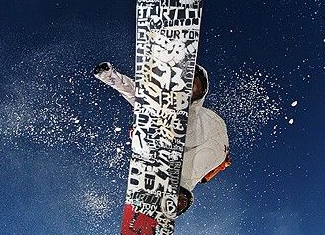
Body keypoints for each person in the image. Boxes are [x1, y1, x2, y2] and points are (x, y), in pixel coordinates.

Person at [93, 62, 230, 215]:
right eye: (185, 85)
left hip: (207, 143)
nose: (187, 92)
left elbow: (211, 157)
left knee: (198, 144)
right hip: (182, 145)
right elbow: (137, 94)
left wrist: (183, 188)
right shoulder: (167, 105)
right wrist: (111, 77)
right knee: (154, 114)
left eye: (194, 87)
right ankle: (165, 175)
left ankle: (178, 192)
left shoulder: (202, 119)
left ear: (202, 92)